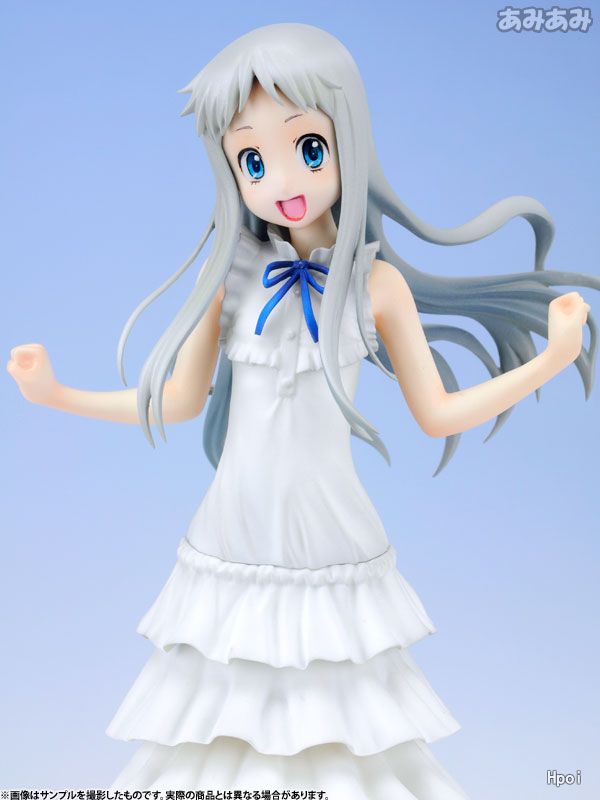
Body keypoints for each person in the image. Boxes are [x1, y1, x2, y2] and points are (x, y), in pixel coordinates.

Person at [7, 22, 597, 798]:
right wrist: (56, 394)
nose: (281, 177)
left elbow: (438, 413)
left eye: (308, 147)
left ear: (348, 141)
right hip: (234, 531)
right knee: (221, 715)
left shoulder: (376, 285)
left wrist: (549, 360)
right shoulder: (231, 277)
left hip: (327, 530)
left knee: (340, 717)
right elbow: (179, 401)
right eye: (253, 159)